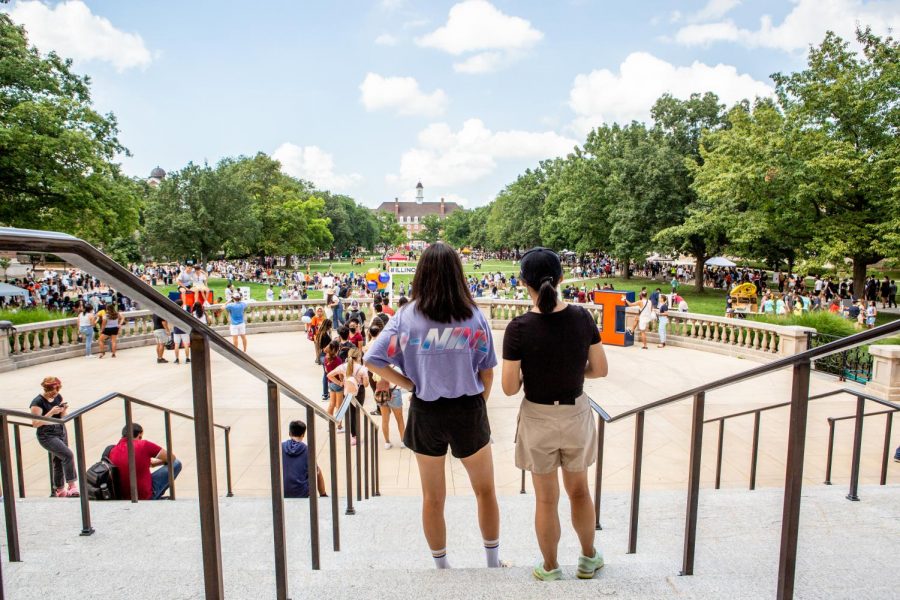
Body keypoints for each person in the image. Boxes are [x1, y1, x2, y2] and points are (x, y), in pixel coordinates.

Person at [365, 242, 503, 570]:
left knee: (433, 497)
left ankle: (441, 567)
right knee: (485, 491)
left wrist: (411, 384)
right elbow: (487, 372)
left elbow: (373, 358)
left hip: (426, 410)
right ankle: (492, 562)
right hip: (467, 408)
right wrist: (477, 404)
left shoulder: (408, 319)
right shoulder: (473, 317)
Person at [501, 247, 608, 581]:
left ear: (522, 283)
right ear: (562, 279)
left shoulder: (518, 328)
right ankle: (588, 559)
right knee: (580, 491)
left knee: (546, 500)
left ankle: (550, 566)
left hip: (537, 416)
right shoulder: (582, 318)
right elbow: (600, 369)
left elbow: (508, 387)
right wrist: (575, 372)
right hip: (575, 412)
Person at [29, 377, 79, 497]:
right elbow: (35, 423)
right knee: (68, 455)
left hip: (60, 430)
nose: (55, 393)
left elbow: (62, 417)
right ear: (46, 388)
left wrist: (63, 410)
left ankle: (60, 489)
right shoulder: (37, 402)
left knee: (58, 460)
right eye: (52, 391)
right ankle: (72, 485)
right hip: (46, 434)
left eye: (57, 390)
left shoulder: (58, 397)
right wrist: (51, 412)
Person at [109, 423, 182, 501]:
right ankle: (155, 496)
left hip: (123, 496)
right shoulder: (143, 444)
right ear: (139, 435)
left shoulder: (112, 450)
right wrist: (155, 464)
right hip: (143, 496)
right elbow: (171, 458)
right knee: (176, 464)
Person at [327, 347, 368, 446]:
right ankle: (356, 435)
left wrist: (340, 383)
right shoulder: (362, 369)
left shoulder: (343, 367)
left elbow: (329, 375)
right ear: (359, 356)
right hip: (359, 392)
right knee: (356, 413)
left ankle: (353, 436)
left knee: (351, 413)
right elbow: (366, 384)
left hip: (347, 391)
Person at [282, 420, 327, 498]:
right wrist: (323, 494)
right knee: (317, 469)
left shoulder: (280, 447)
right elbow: (316, 473)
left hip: (281, 491)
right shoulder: (307, 450)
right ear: (303, 434)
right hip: (301, 493)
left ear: (289, 433)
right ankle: (323, 494)